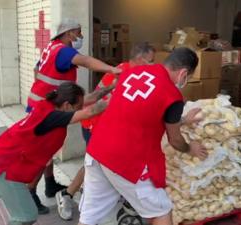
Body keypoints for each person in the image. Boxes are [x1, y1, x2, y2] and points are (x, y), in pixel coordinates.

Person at [0, 82, 113, 225]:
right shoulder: (53, 117)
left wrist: (109, 87)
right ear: (67, 105)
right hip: (5, 169)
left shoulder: (48, 105)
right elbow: (90, 111)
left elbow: (87, 102)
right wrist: (120, 98)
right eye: (77, 107)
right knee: (26, 216)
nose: (80, 108)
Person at [78, 47, 208, 225]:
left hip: (97, 150)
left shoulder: (133, 72)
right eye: (189, 77)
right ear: (183, 73)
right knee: (161, 210)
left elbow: (142, 112)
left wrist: (184, 119)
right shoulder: (172, 94)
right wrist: (190, 148)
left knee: (90, 217)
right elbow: (175, 140)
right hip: (125, 159)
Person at [26, 18, 121, 214]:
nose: (81, 36)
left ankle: (50, 184)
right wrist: (112, 69)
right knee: (43, 152)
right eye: (78, 32)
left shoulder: (51, 47)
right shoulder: (63, 51)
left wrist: (54, 94)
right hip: (45, 110)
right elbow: (86, 61)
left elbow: (37, 70)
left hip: (42, 104)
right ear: (69, 33)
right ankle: (30, 192)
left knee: (49, 148)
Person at [55, 42, 156, 220]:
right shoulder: (124, 73)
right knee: (95, 164)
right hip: (95, 123)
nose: (153, 65)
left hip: (105, 124)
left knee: (100, 164)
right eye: (151, 61)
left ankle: (110, 196)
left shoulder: (131, 72)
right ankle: (67, 194)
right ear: (140, 59)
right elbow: (108, 101)